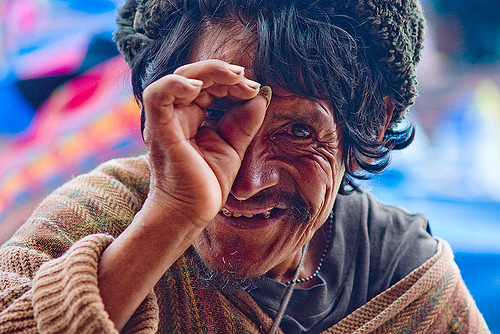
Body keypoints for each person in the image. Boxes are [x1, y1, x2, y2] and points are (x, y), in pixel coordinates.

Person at [0, 0, 490, 333]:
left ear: (375, 124)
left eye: (299, 131)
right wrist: (172, 214)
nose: (247, 181)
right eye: (214, 117)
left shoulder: (402, 276)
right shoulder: (105, 214)